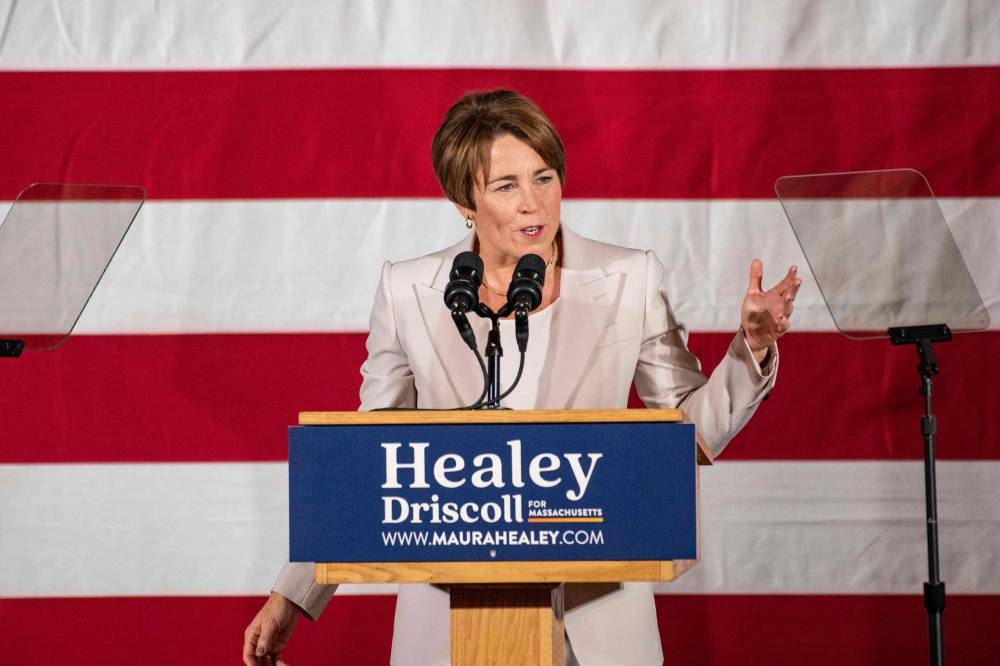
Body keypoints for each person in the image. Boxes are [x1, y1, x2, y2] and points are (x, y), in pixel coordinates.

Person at [243, 89, 800, 666]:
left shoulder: (629, 278)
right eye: (506, 186)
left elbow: (686, 431)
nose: (533, 203)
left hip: (598, 620)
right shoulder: (409, 292)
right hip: (450, 620)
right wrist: (292, 595)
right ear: (465, 201)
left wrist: (751, 346)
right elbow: (367, 462)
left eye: (545, 177)